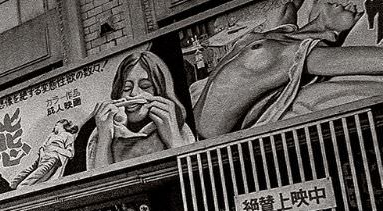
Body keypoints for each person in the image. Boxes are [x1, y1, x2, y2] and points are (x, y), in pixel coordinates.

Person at [192, 0, 383, 139]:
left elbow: (377, 60)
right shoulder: (285, 31)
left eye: (355, 11)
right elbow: (286, 4)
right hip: (190, 119)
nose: (349, 4)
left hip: (205, 137)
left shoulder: (307, 53)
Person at [87, 50, 195, 170]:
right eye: (126, 88)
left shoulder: (178, 127)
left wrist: (173, 138)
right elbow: (101, 184)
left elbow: (191, 174)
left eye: (145, 86)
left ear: (159, 90)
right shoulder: (102, 131)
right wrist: (104, 138)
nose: (134, 93)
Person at [9, 119, 78, 189]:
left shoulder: (68, 135)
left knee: (38, 173)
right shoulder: (52, 135)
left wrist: (55, 148)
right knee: (29, 170)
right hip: (42, 157)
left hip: (52, 157)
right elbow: (43, 146)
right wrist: (42, 153)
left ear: (62, 125)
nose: (55, 127)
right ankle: (15, 183)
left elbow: (70, 153)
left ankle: (23, 186)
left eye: (56, 125)